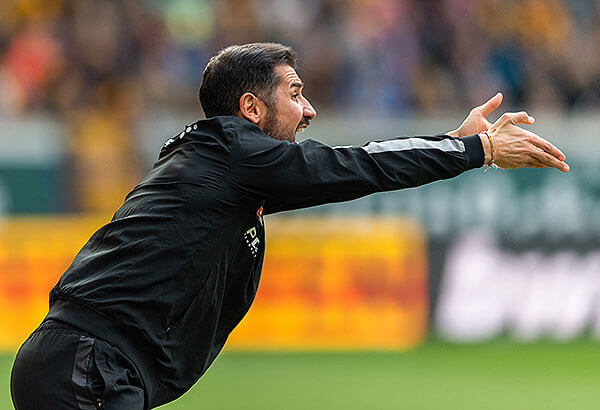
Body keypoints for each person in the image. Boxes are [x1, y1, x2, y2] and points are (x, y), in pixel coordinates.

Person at [10, 42, 569, 409]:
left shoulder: (222, 168)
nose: (310, 110)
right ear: (251, 109)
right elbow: (357, 165)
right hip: (88, 370)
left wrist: (451, 143)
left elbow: (353, 165)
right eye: (296, 93)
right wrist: (477, 149)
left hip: (83, 368)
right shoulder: (234, 154)